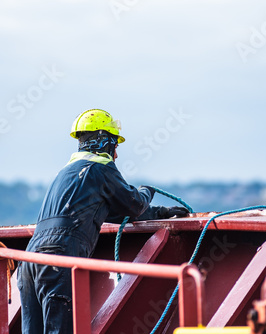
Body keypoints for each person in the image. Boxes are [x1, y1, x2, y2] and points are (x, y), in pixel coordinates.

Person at [17, 109, 190, 333]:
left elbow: (120, 214)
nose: (115, 155)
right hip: (57, 258)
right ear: (104, 141)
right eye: (115, 146)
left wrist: (161, 212)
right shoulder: (100, 169)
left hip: (28, 261)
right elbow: (135, 204)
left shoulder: (66, 173)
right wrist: (147, 191)